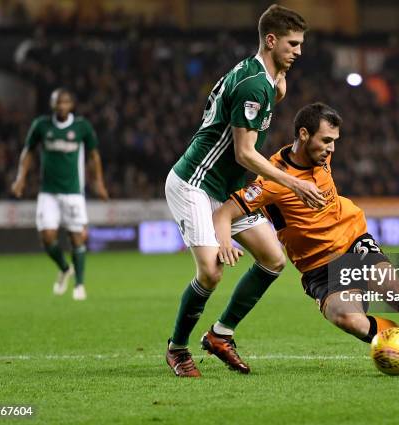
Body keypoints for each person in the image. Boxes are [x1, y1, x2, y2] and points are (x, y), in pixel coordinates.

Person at [214, 103, 399, 372]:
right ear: (303, 134)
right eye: (326, 140)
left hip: (353, 241)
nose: (331, 149)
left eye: (334, 141)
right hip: (318, 268)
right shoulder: (274, 180)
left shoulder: (321, 155)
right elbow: (223, 214)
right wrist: (225, 242)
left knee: (395, 291)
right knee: (348, 319)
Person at [164, 4, 323, 377]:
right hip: (196, 184)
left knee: (273, 259)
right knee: (211, 272)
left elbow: (271, 98)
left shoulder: (265, 77)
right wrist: (293, 182)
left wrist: (280, 80)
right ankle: (178, 348)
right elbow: (245, 153)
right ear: (271, 40)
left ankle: (220, 335)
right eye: (292, 44)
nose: (299, 51)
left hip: (228, 187)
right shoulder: (254, 85)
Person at [11, 88, 108, 301]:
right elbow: (28, 151)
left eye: (64, 103)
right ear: (52, 105)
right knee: (46, 238)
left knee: (76, 238)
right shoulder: (41, 125)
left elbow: (94, 155)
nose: (61, 106)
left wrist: (99, 183)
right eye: (57, 103)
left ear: (71, 105)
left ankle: (80, 285)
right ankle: (65, 268)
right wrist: (21, 178)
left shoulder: (82, 127)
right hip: (48, 192)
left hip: (73, 192)